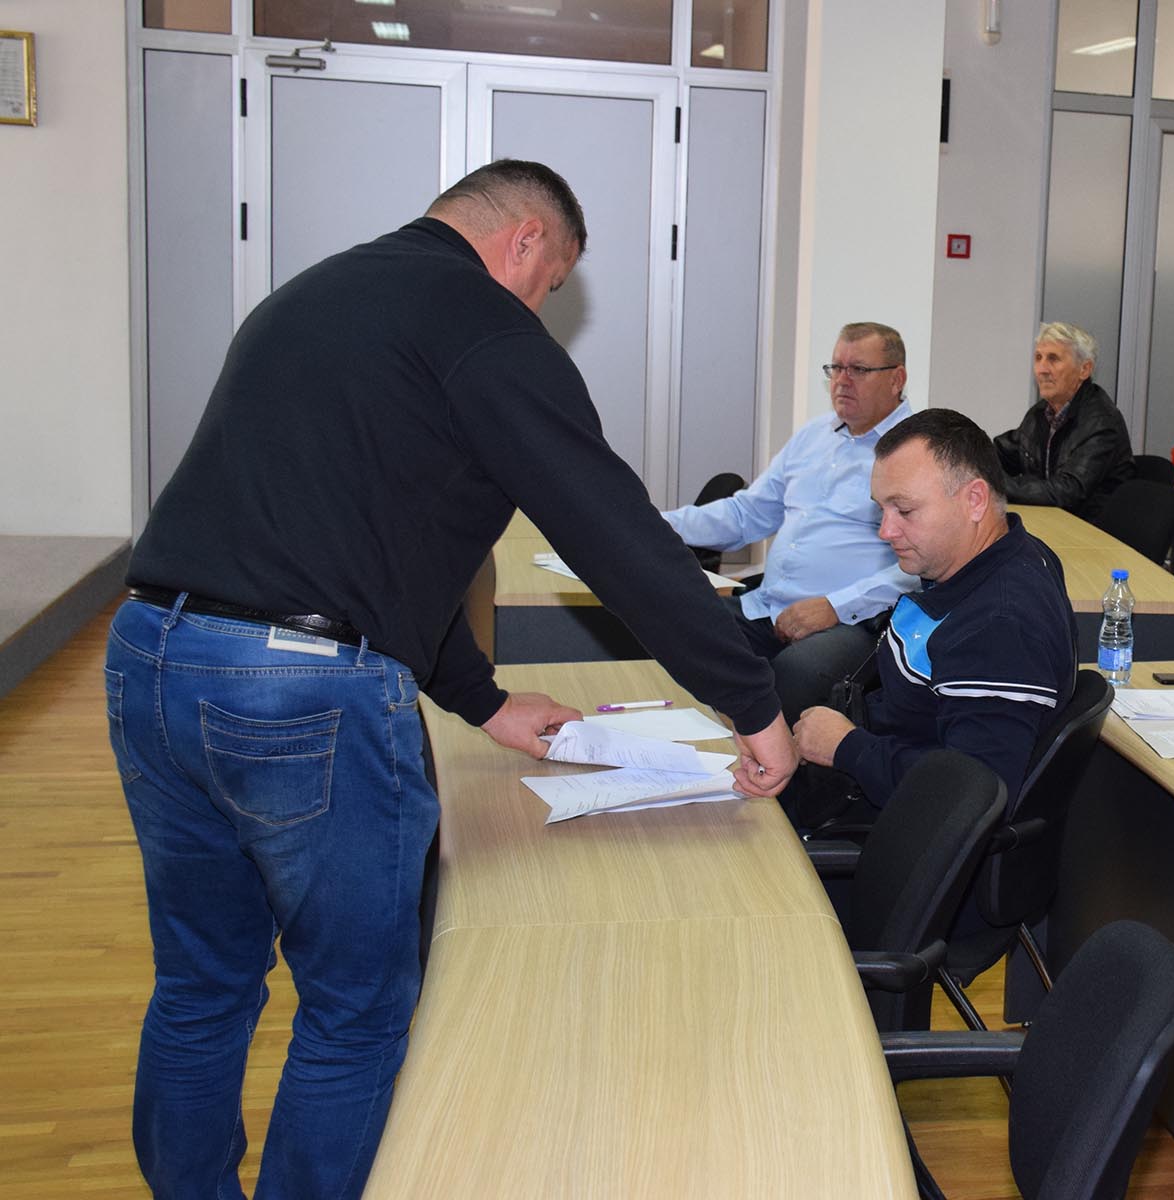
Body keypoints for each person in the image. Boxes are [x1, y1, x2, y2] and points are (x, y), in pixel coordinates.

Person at [105, 160, 795, 1200]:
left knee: (203, 987)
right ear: (526, 240)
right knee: (355, 1011)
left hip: (152, 656)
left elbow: (359, 538)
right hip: (297, 692)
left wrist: (485, 701)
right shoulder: (484, 326)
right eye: (549, 284)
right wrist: (751, 699)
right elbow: (613, 534)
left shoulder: (316, 293)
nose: (541, 309)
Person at [789, 409, 1077, 825]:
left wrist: (847, 748)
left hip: (875, 829)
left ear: (974, 501)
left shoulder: (1000, 624)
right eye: (882, 509)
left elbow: (971, 796)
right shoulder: (985, 560)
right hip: (868, 771)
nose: (886, 531)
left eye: (904, 510)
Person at [662, 321, 918, 723]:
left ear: (896, 379)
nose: (842, 381)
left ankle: (765, 761)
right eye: (835, 368)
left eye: (858, 370)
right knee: (678, 627)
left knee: (791, 680)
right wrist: (655, 524)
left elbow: (922, 567)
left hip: (854, 620)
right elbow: (747, 515)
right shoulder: (813, 436)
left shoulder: (917, 450)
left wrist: (835, 606)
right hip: (770, 605)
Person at [994, 322, 1135, 520]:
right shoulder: (1040, 413)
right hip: (1053, 521)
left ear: (1084, 369)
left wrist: (996, 485)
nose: (1042, 369)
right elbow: (1000, 452)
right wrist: (971, 466)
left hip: (1091, 530)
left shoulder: (1101, 422)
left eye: (1053, 359)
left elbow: (1068, 491)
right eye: (1038, 358)